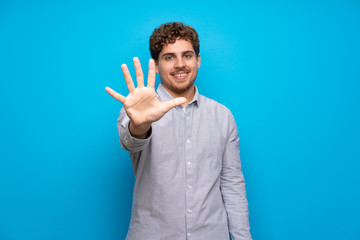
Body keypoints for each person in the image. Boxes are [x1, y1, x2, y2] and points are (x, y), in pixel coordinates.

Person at [105, 22, 252, 240]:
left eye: (187, 55)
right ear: (156, 65)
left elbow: (232, 184)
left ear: (198, 60)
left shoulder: (223, 116)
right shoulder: (137, 110)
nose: (180, 64)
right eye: (169, 57)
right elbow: (131, 141)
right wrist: (140, 124)